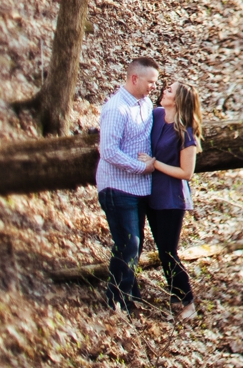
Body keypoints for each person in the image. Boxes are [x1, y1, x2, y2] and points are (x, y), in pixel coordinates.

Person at [95, 56, 158, 314]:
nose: (154, 86)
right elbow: (108, 150)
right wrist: (141, 167)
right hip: (117, 187)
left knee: (135, 243)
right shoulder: (116, 108)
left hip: (139, 188)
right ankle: (116, 299)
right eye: (150, 81)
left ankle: (129, 293)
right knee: (128, 243)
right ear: (134, 78)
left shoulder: (146, 103)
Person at [139, 81, 201, 320]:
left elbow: (187, 173)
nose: (164, 91)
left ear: (178, 100)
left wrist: (155, 163)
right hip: (151, 194)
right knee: (163, 250)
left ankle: (188, 302)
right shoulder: (155, 115)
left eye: (169, 90)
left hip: (172, 198)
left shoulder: (184, 132)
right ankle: (176, 296)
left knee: (168, 252)